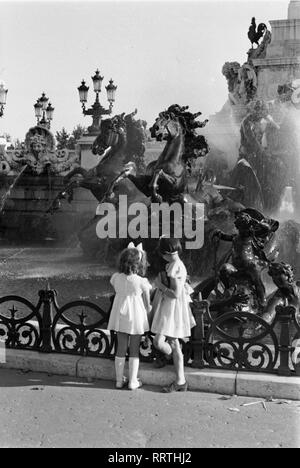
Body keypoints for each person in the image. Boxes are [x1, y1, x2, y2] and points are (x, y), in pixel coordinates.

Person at [151, 237, 196, 392]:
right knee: (169, 343)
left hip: (171, 308)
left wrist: (159, 286)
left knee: (164, 342)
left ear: (166, 253)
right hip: (170, 308)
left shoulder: (175, 267)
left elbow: (175, 294)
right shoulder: (175, 264)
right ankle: (179, 378)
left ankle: (178, 377)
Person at [107, 243, 152, 390]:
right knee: (134, 349)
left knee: (121, 348)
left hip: (120, 316)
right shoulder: (141, 281)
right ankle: (133, 381)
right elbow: (147, 302)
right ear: (138, 264)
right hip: (136, 317)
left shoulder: (115, 278)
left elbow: (116, 288)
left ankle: (119, 381)